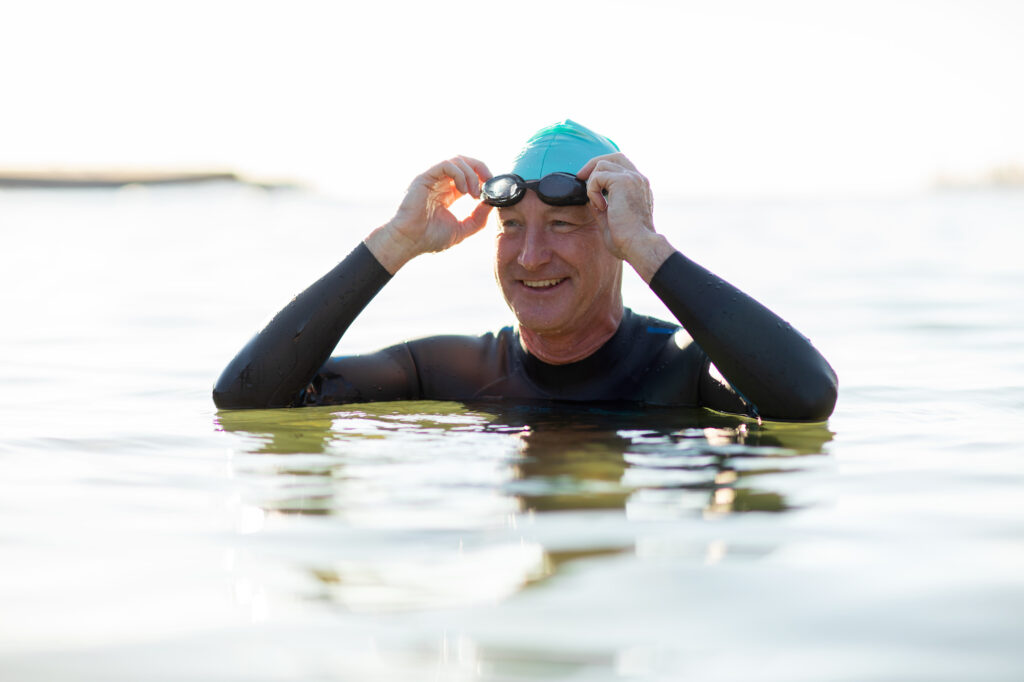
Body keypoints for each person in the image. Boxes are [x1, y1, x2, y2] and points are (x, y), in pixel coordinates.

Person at [213, 120, 837, 421]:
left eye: (562, 226)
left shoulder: (680, 365)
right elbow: (245, 397)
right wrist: (393, 243)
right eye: (512, 229)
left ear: (614, 234)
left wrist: (648, 247)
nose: (532, 257)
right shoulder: (448, 370)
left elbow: (806, 396)